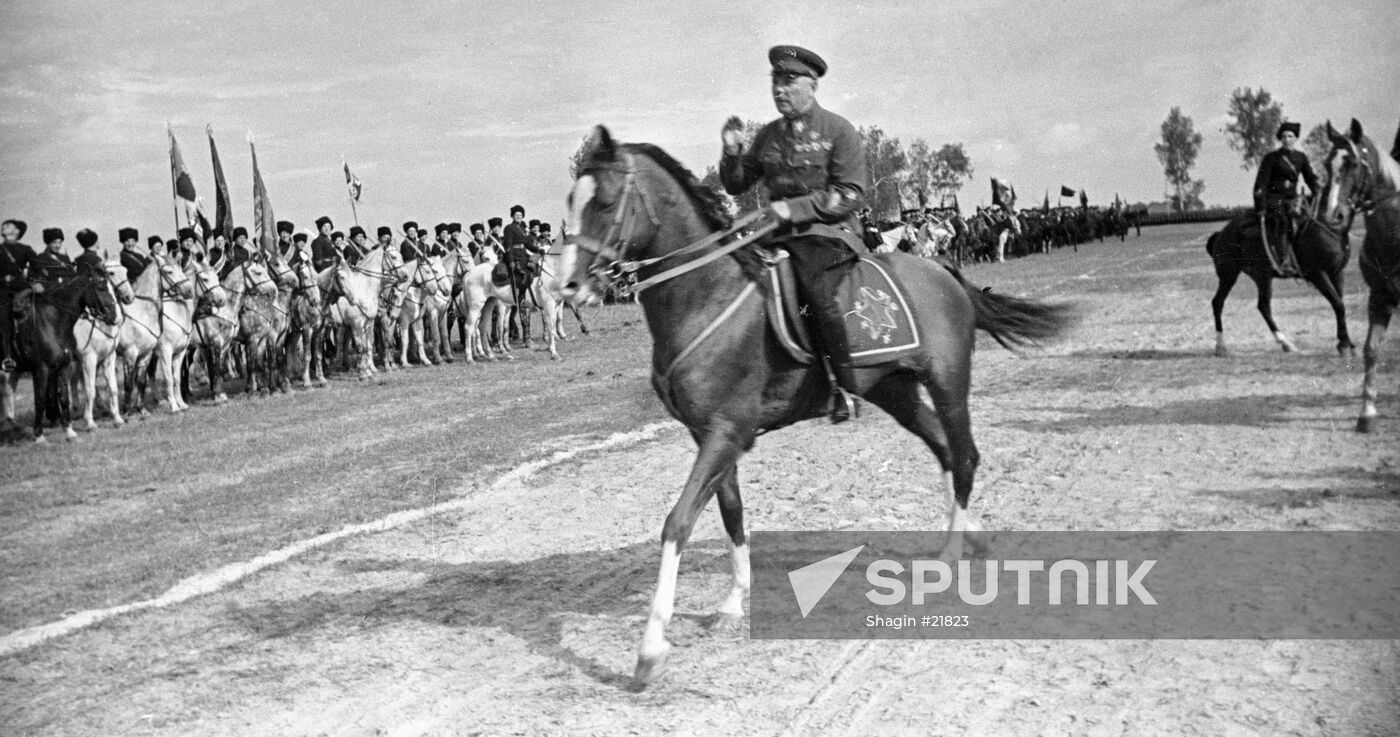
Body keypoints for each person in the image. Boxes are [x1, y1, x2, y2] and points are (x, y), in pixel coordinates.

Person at [720, 45, 868, 422]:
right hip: (777, 236)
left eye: (789, 81)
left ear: (812, 85)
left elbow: (850, 193)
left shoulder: (838, 130)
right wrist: (733, 153)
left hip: (829, 233)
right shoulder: (768, 136)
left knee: (814, 292)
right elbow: (737, 185)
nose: (779, 90)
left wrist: (795, 209)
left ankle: (844, 387)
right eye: (775, 81)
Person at [1252, 120, 1319, 278]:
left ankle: (1308, 258)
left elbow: (1310, 178)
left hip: (1293, 199)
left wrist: (1319, 191)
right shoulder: (1271, 158)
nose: (1287, 139)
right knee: (1282, 220)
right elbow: (1261, 183)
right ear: (1280, 139)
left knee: (1310, 221)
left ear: (1295, 139)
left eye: (1290, 136)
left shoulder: (1301, 157)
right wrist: (1260, 206)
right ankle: (1284, 261)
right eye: (1284, 136)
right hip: (1274, 199)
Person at [1, 219, 36, 372]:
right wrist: (2, 279)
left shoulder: (26, 249)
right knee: (3, 319)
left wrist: (35, 281)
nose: (3, 227)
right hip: (1, 292)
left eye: (7, 226)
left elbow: (38, 265)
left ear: (17, 231)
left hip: (22, 289)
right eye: (4, 226)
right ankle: (7, 357)